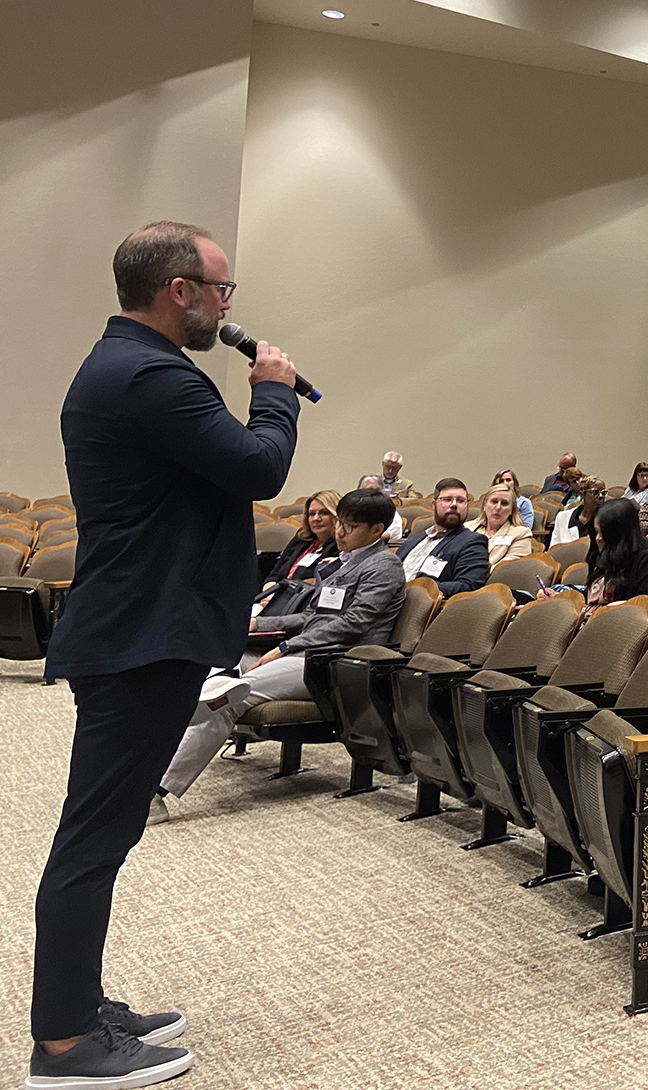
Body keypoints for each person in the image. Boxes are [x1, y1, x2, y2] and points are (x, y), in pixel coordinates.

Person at [30, 220, 298, 1088]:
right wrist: (276, 391)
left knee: (104, 830)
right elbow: (259, 466)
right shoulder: (151, 374)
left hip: (137, 627)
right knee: (94, 838)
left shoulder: (126, 367)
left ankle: (80, 1003)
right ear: (178, 289)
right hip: (141, 634)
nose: (227, 306)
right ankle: (65, 1043)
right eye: (223, 290)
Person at [155, 488, 403, 814]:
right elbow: (314, 618)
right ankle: (153, 759)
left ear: (376, 530)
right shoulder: (343, 564)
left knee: (231, 695)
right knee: (212, 668)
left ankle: (154, 794)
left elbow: (354, 624)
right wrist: (263, 624)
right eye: (340, 522)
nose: (340, 531)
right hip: (308, 652)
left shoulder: (383, 566)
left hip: (336, 662)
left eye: (351, 526)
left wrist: (286, 646)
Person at [396, 479, 488, 599]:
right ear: (434, 505)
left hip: (416, 605)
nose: (454, 504)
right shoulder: (412, 541)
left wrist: (418, 588)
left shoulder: (472, 542)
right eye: (447, 499)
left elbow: (468, 585)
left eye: (460, 501)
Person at [568, 497, 648, 606]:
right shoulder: (603, 554)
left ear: (618, 533)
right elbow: (595, 591)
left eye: (603, 533)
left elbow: (645, 607)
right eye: (596, 532)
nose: (598, 538)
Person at [260, 490, 342, 586]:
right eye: (312, 514)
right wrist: (269, 590)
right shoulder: (301, 539)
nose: (316, 518)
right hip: (280, 594)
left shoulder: (341, 546)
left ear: (336, 515)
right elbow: (274, 574)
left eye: (324, 513)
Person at [467, 483, 534, 568]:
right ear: (484, 505)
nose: (498, 507)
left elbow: (506, 569)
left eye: (504, 503)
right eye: (494, 501)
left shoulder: (521, 534)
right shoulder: (467, 528)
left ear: (511, 510)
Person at [548, 474, 604, 548]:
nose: (601, 496)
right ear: (582, 494)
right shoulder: (563, 517)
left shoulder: (607, 519)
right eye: (595, 492)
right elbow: (554, 548)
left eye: (603, 492)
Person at [357, 475, 406, 542]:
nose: (374, 493)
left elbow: (394, 532)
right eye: (370, 489)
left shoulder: (388, 510)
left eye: (377, 490)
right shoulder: (354, 509)